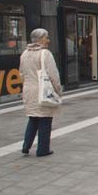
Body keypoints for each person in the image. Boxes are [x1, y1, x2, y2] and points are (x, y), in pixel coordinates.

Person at [19, 28, 62, 157]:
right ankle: (43, 149)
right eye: (46, 37)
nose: (48, 40)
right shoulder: (45, 54)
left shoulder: (24, 54)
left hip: (28, 90)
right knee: (45, 120)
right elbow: (53, 75)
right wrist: (58, 90)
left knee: (33, 118)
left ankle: (26, 146)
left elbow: (21, 74)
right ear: (40, 39)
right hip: (43, 90)